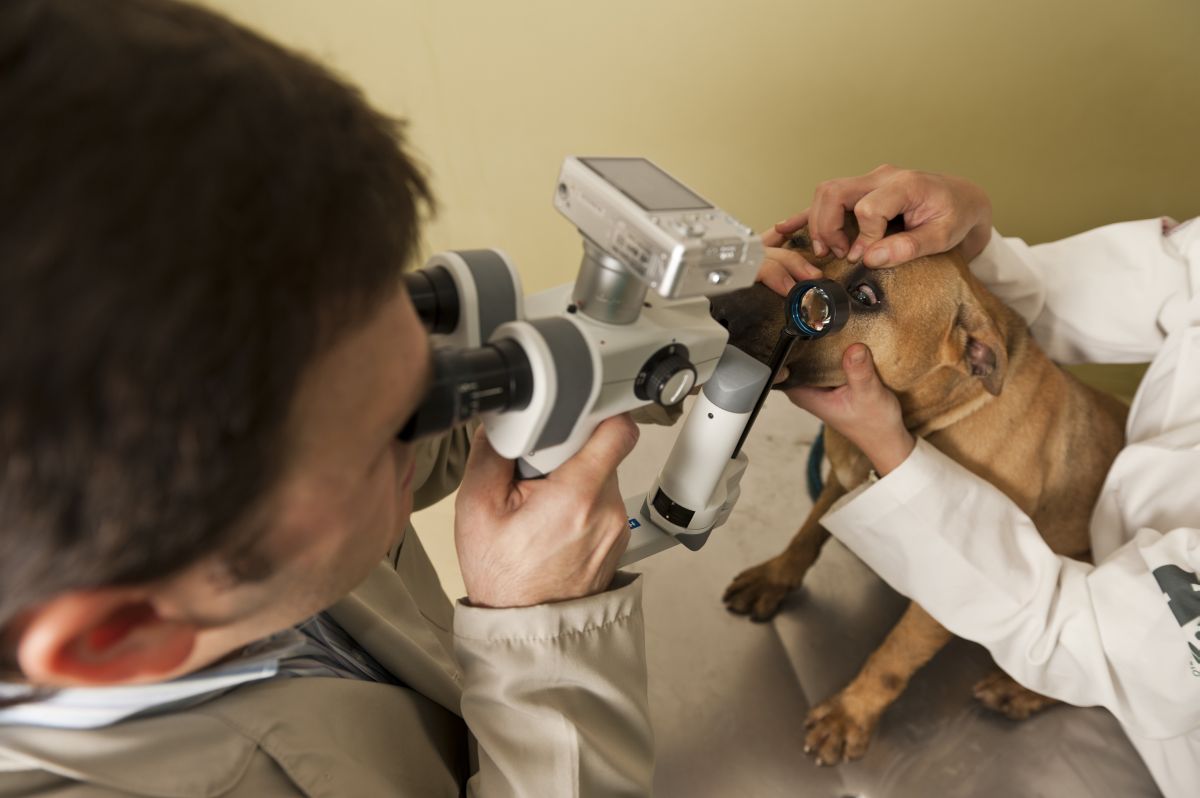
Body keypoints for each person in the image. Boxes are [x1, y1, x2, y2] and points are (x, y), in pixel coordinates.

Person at [0, 1, 658, 794]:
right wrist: (544, 638)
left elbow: (369, 415)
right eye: (401, 422)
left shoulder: (152, 526)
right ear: (120, 635)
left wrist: (663, 338)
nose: (445, 398)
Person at [759, 164, 1200, 798]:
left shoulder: (998, 433)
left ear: (976, 360)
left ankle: (869, 701)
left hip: (1146, 705)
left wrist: (893, 451)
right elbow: (1170, 281)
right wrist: (973, 238)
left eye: (858, 299)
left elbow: (1066, 628)